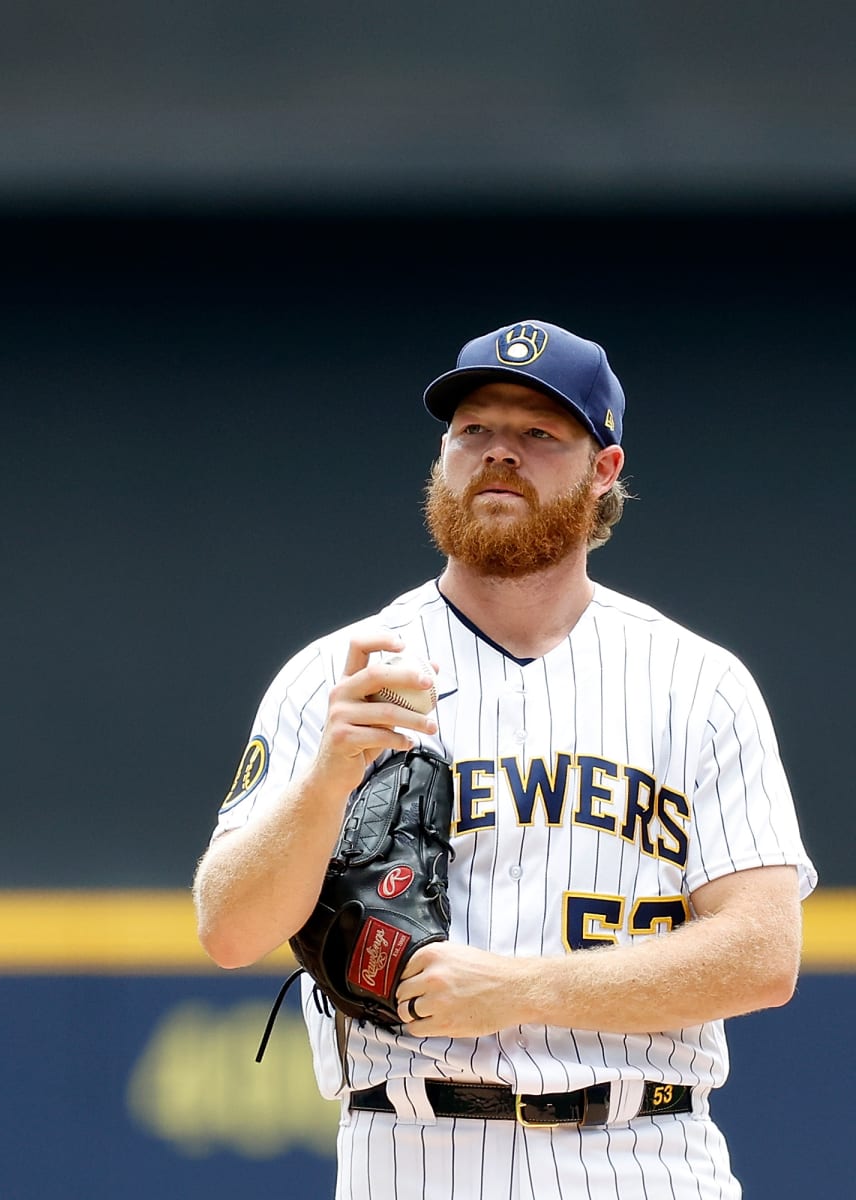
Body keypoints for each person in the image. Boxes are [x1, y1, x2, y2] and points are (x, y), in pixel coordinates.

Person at [193, 319, 814, 1198]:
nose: (499, 453)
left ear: (605, 469)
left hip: (644, 1152)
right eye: (473, 429)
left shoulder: (698, 683)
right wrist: (328, 780)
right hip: (407, 1150)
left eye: (538, 433)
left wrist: (524, 988)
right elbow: (229, 930)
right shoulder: (340, 679)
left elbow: (762, 956)